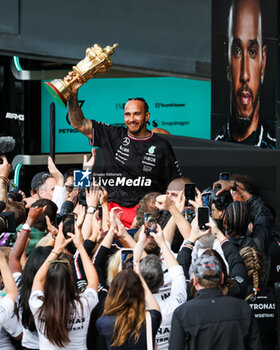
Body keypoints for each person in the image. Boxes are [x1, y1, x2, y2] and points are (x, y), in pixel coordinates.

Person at [67, 75, 182, 226]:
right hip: (112, 211)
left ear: (147, 116)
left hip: (146, 214)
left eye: (136, 114)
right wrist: (73, 94)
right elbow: (78, 123)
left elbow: (174, 182)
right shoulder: (112, 134)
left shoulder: (162, 145)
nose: (131, 119)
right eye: (127, 114)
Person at [214, 0, 276, 148]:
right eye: (237, 51)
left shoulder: (275, 150)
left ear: (263, 61)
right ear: (227, 57)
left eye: (253, 52)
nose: (245, 75)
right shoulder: (211, 145)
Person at [28, 221, 99, 349]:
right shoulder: (83, 303)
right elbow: (93, 280)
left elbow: (37, 280)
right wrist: (80, 246)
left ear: (48, 281)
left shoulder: (37, 305)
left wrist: (56, 249)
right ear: (70, 279)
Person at [169, 254, 262, 350]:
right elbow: (255, 345)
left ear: (195, 280)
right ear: (222, 278)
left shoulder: (183, 313)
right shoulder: (243, 308)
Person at [96, 268, 161, 349]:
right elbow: (156, 309)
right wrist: (140, 278)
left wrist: (120, 280)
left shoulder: (103, 323)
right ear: (140, 292)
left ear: (113, 293)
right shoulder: (151, 319)